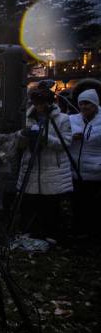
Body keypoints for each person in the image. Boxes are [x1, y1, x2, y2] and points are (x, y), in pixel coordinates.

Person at [16, 82, 73, 241]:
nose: (39, 106)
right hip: (31, 167)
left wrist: (44, 138)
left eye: (42, 102)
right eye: (36, 102)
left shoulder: (62, 119)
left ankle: (51, 234)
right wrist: (23, 135)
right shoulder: (27, 118)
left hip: (52, 169)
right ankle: (31, 233)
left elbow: (65, 143)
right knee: (30, 203)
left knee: (50, 205)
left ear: (50, 102)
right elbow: (19, 146)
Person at [69, 88, 101, 239]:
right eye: (81, 103)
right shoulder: (72, 119)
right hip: (75, 171)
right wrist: (71, 137)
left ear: (95, 105)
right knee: (77, 204)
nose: (83, 107)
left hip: (96, 173)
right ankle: (78, 231)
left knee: (93, 205)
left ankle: (93, 232)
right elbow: (63, 138)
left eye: (87, 103)